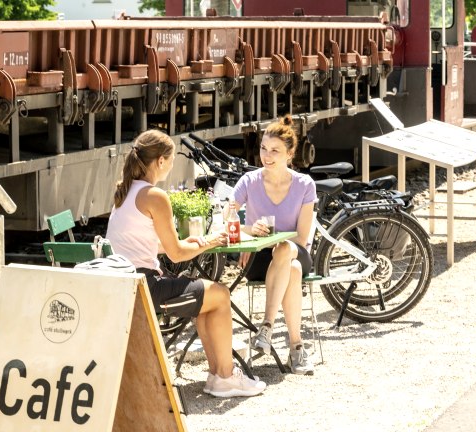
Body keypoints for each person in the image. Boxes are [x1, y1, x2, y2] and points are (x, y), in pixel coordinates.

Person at [106, 129, 266, 398]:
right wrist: (214, 241)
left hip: (127, 283)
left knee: (208, 299)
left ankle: (219, 376)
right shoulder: (154, 196)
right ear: (160, 161)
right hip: (145, 289)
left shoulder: (126, 192)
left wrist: (201, 241)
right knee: (221, 294)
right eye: (170, 160)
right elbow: (176, 254)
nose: (171, 165)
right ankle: (225, 377)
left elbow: (152, 246)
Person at [229, 115, 317, 375]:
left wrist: (272, 237)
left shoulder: (304, 185)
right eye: (263, 149)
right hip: (260, 260)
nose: (266, 156)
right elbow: (226, 215)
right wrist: (248, 230)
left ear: (290, 154)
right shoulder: (249, 181)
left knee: (286, 250)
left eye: (275, 151)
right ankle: (297, 349)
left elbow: (301, 238)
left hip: (297, 252)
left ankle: (266, 326)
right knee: (293, 271)